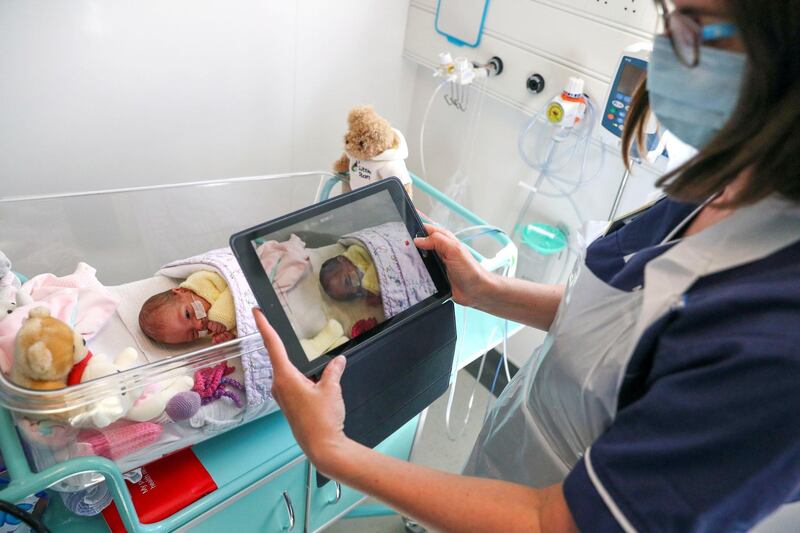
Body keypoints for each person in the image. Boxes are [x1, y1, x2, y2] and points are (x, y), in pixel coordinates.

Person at [253, 0, 800, 530]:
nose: (660, 49)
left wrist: (333, 452)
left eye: (692, 26)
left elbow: (556, 523)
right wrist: (487, 289)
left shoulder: (779, 351)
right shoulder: (726, 183)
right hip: (510, 464)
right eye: (668, 16)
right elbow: (628, 322)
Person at [139, 270, 236, 345]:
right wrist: (231, 335)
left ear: (181, 291)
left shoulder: (202, 280)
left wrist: (221, 317)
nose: (199, 325)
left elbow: (236, 284)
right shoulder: (213, 329)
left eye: (188, 314)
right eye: (194, 333)